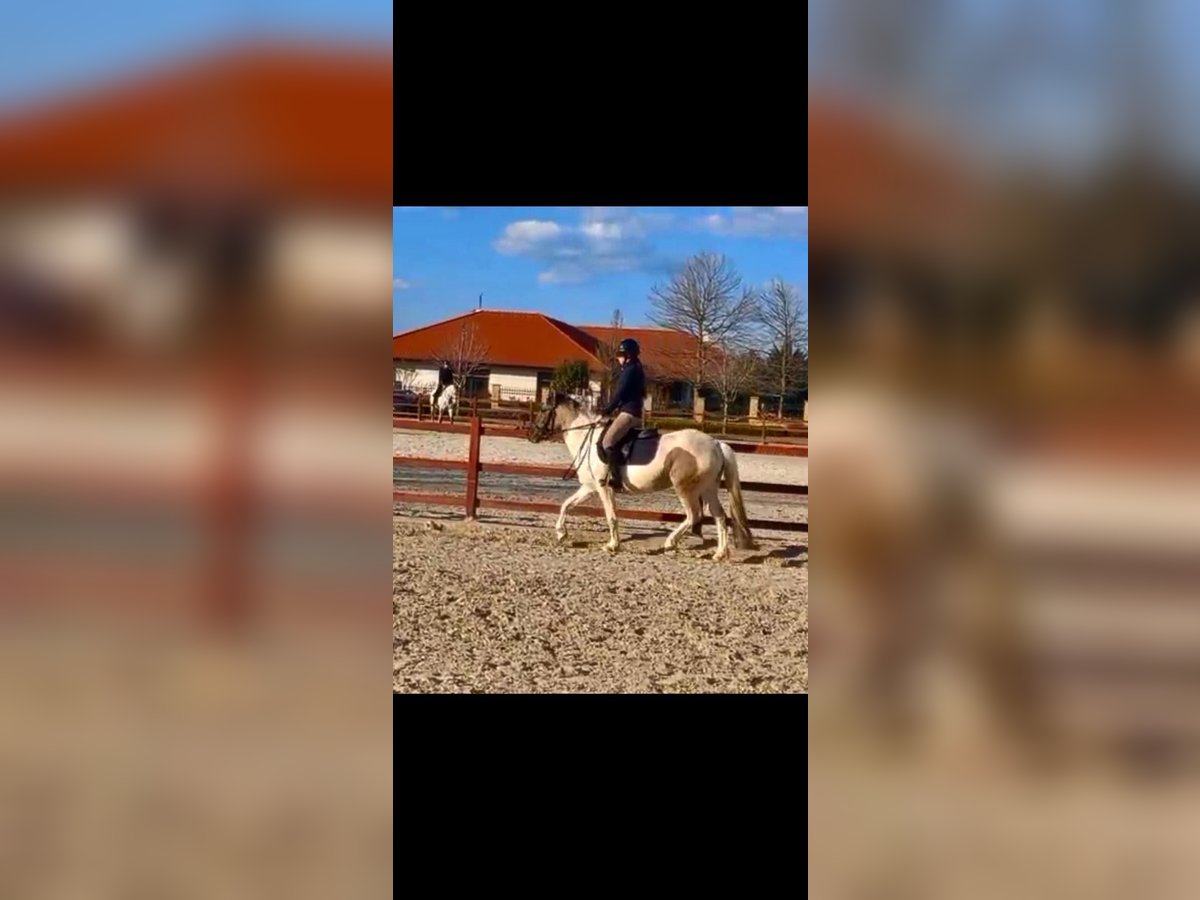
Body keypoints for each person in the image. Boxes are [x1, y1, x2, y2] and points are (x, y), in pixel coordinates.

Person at [598, 338, 645, 491]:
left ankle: (617, 479)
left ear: (628, 355)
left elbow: (620, 393)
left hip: (628, 413)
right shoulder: (636, 368)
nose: (618, 358)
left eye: (620, 354)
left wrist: (608, 409)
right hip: (633, 412)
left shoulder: (630, 370)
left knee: (607, 442)